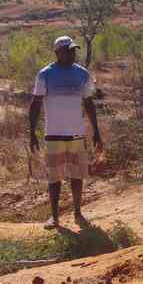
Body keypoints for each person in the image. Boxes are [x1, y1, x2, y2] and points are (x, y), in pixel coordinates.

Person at [29, 35, 103, 229]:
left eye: (73, 51)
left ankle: (78, 213)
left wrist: (96, 132)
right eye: (68, 51)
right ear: (58, 52)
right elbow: (35, 104)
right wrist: (32, 133)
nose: (72, 54)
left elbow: (89, 103)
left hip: (77, 134)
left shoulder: (82, 74)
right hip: (53, 134)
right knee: (54, 177)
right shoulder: (45, 74)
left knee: (77, 176)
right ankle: (55, 217)